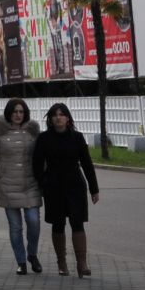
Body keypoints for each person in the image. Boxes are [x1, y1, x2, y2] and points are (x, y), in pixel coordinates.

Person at [34, 102, 100, 278]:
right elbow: (37, 165)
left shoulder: (77, 138)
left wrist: (94, 189)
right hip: (53, 187)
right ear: (50, 119)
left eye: (62, 114)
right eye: (55, 114)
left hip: (75, 186)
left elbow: (87, 164)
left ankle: (82, 263)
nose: (58, 117)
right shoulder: (44, 139)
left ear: (68, 118)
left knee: (77, 223)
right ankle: (61, 262)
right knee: (58, 224)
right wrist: (42, 184)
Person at [0, 97, 42, 275]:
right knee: (15, 227)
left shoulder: (33, 131)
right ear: (9, 113)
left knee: (34, 221)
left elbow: (43, 156)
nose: (18, 115)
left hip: (30, 184)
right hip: (7, 185)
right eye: (15, 112)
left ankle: (32, 254)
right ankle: (21, 261)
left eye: (21, 112)